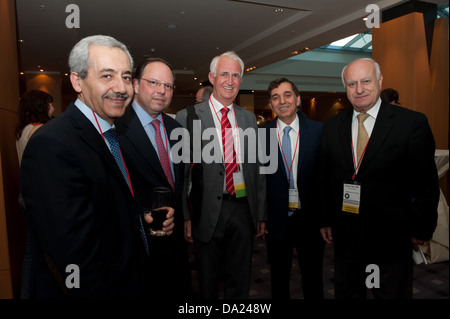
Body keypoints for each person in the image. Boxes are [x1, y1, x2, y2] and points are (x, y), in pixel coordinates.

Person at [19, 35, 174, 298]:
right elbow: (74, 256)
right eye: (107, 76)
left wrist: (143, 219)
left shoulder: (112, 135)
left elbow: (105, 208)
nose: (121, 87)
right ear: (77, 80)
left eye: (126, 77)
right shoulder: (52, 143)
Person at [318, 58, 439, 299]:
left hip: (392, 238)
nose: (359, 89)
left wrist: (420, 230)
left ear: (380, 81)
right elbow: (325, 178)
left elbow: (426, 183)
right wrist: (325, 219)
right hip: (347, 238)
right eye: (352, 84)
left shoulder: (411, 123)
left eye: (365, 81)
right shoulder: (332, 127)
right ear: (345, 87)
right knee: (349, 293)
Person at [176, 51, 267, 299]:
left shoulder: (249, 118)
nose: (230, 80)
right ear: (212, 77)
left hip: (242, 208)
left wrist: (260, 212)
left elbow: (256, 169)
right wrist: (185, 215)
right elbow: (182, 173)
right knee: (208, 280)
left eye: (235, 75)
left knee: (240, 278)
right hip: (205, 210)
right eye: (224, 74)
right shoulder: (189, 116)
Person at [115, 57, 191, 299]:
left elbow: (179, 183)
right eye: (154, 82)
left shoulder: (176, 128)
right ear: (135, 85)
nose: (162, 91)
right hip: (137, 244)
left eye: (168, 86)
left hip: (175, 241)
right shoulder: (115, 127)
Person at [262, 78, 324, 299]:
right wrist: (262, 216)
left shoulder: (319, 131)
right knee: (278, 277)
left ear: (298, 99)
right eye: (275, 97)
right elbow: (259, 181)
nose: (282, 101)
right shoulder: (261, 135)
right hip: (277, 219)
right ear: (271, 104)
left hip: (311, 219)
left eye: (287, 95)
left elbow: (325, 179)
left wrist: (326, 219)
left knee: (313, 276)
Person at [16, 90, 55, 166]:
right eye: (51, 105)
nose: (53, 109)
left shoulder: (24, 129)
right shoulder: (38, 129)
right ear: (42, 107)